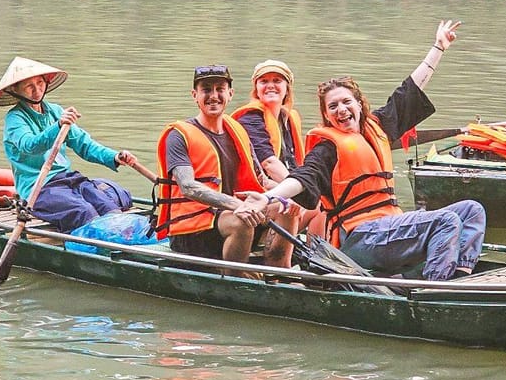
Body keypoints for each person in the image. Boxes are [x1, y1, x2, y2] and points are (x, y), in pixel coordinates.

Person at [237, 21, 487, 281]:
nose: (341, 110)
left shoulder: (378, 125)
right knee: (445, 221)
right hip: (359, 237)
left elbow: (410, 90)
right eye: (332, 107)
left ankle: (459, 276)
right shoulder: (327, 148)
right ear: (326, 115)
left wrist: (438, 47)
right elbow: (301, 179)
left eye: (346, 102)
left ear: (359, 104)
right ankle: (435, 291)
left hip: (390, 225)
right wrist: (267, 198)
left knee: (471, 210)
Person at [154, 64, 298, 274]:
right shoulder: (179, 135)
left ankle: (278, 272)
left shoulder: (237, 131)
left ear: (230, 94)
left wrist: (288, 196)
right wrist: (236, 205)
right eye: (206, 89)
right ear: (195, 95)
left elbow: (262, 180)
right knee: (241, 221)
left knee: (286, 208)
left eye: (220, 89)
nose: (214, 96)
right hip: (193, 229)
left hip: (230, 215)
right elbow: (188, 187)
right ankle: (235, 280)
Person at [0, 57, 139, 233]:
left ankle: (127, 242)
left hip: (68, 179)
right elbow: (29, 146)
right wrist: (58, 127)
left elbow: (85, 145)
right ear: (16, 90)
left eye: (39, 83)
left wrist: (114, 157)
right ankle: (102, 250)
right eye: (29, 86)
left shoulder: (56, 111)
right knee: (83, 212)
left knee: (108, 206)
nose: (37, 90)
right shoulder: (14, 119)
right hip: (39, 188)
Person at [231, 60, 324, 235]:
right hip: (252, 200)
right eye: (264, 81)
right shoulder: (251, 119)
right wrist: (300, 191)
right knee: (313, 203)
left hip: (276, 190)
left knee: (326, 201)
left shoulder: (286, 119)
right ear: (256, 89)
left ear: (287, 88)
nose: (270, 86)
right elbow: (269, 164)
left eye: (277, 81)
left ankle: (315, 254)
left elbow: (294, 166)